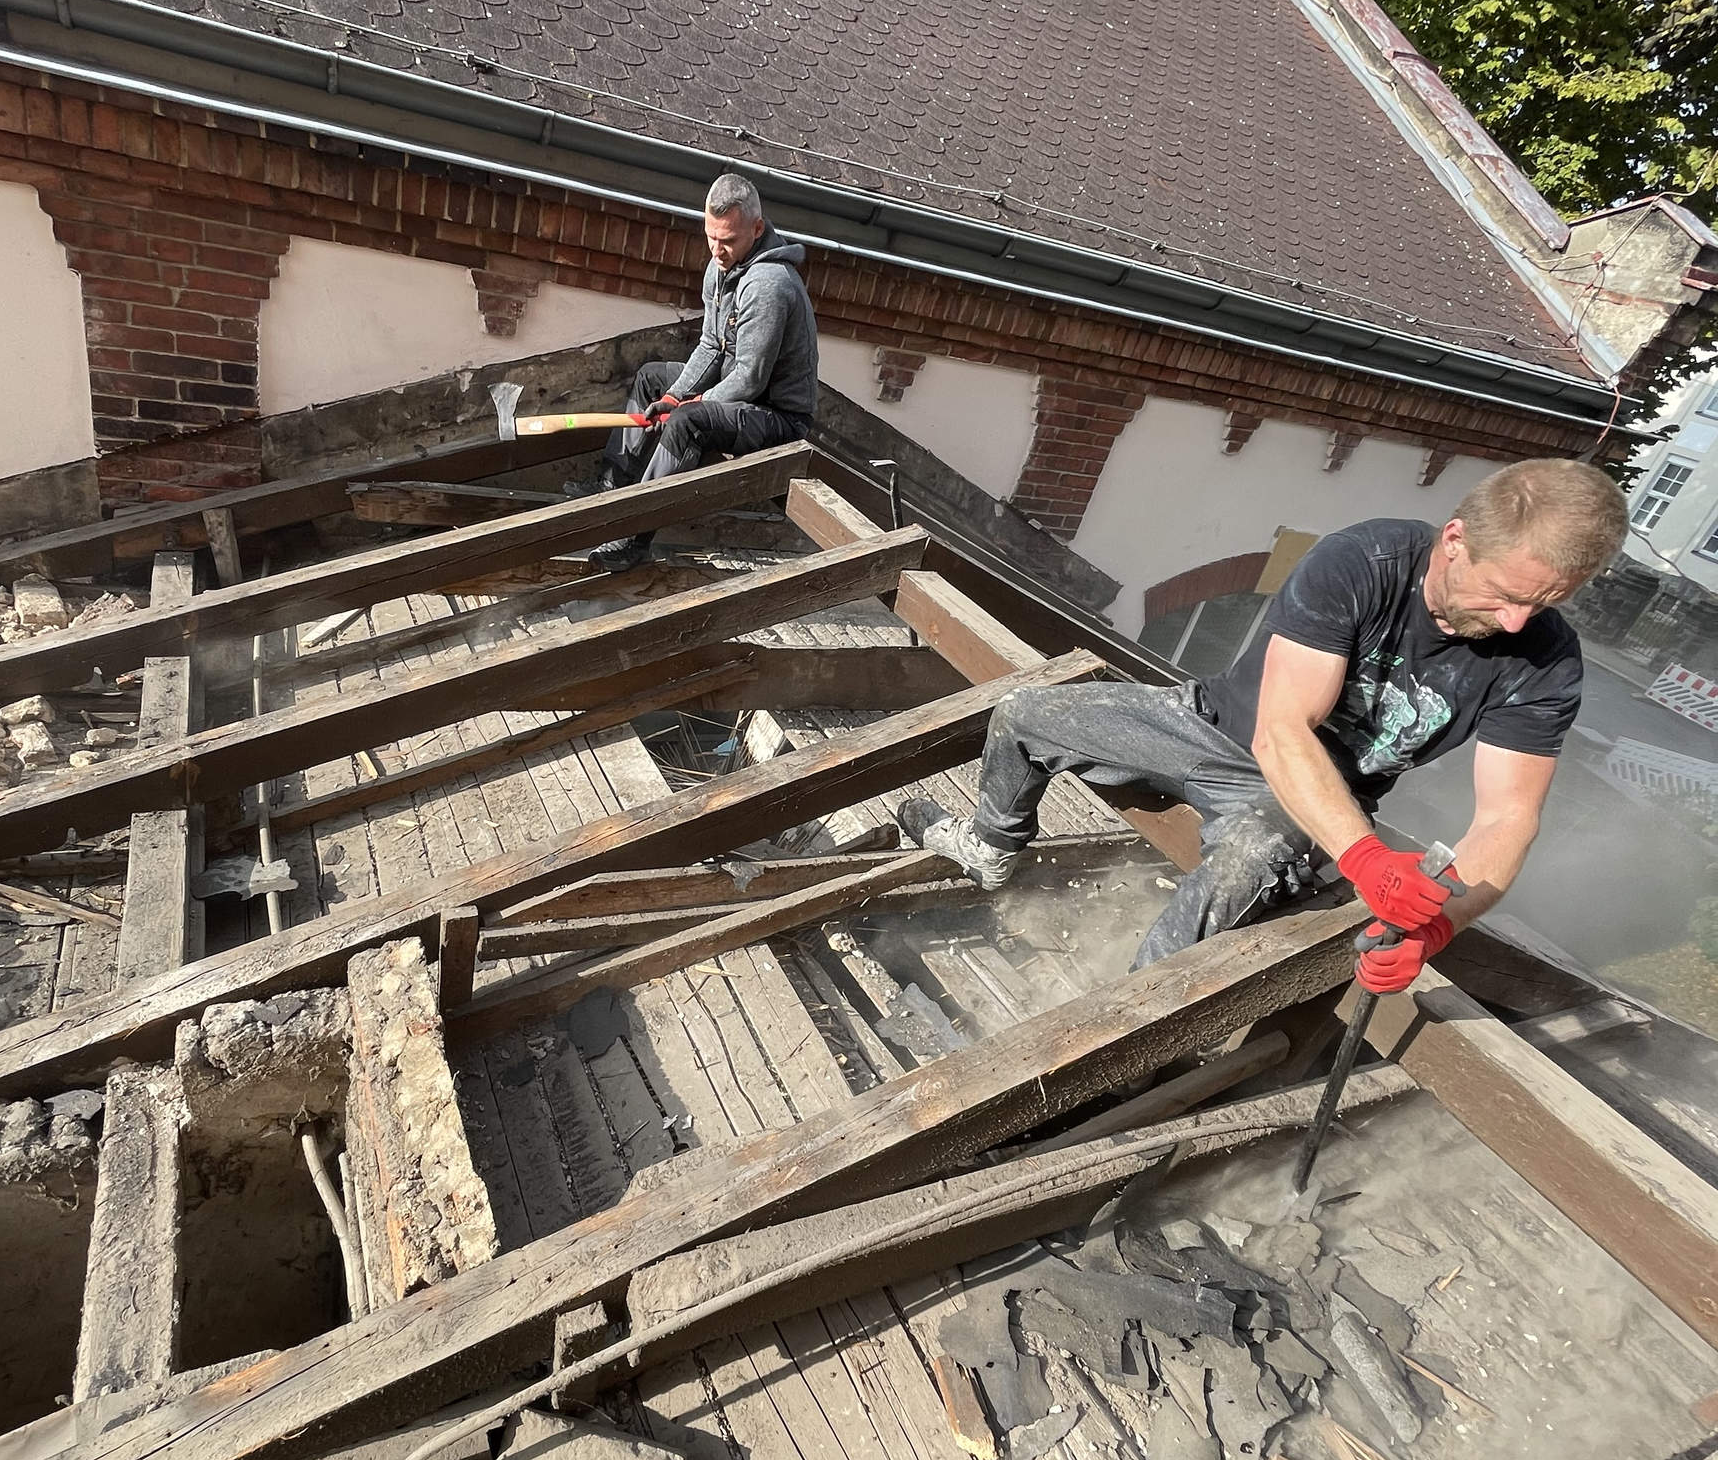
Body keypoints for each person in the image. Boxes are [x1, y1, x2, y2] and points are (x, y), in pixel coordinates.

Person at [903, 458, 1630, 994]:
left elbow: (1507, 817)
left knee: (1241, 868)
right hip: (1212, 725)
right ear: (1455, 539)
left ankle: (1119, 1033)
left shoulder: (1545, 661)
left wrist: (1440, 925)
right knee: (1026, 715)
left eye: (1542, 603)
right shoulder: (1364, 561)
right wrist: (1368, 862)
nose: (1516, 622)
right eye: (1503, 594)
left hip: (1311, 796)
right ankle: (991, 849)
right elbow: (1283, 731)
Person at [591, 171, 819, 568]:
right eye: (711, 236)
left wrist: (691, 404)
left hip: (776, 415)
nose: (717, 249)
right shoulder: (720, 269)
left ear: (757, 229)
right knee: (651, 378)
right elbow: (712, 345)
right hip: (737, 392)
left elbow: (749, 378)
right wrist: (675, 394)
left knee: (687, 421)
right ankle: (613, 486)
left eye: (727, 240)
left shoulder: (769, 286)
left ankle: (633, 538)